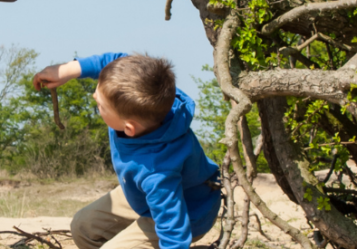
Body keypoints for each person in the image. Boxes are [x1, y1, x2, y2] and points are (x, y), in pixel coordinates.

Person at [33, 53, 221, 249]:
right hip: (143, 196)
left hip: (187, 213)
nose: (94, 96)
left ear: (129, 128)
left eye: (100, 106)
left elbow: (174, 232)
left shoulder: (157, 171)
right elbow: (115, 62)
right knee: (83, 227)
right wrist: (67, 71)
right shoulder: (152, 94)